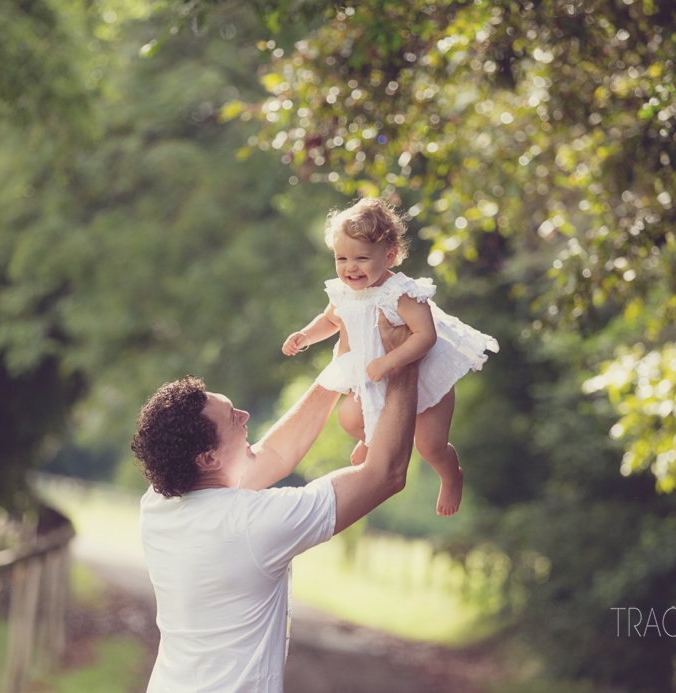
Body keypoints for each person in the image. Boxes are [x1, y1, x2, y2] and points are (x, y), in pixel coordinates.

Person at [132, 314, 418, 693]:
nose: (245, 416)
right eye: (233, 418)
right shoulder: (253, 525)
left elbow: (277, 453)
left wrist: (342, 362)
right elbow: (385, 473)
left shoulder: (158, 504)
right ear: (208, 459)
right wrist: (405, 360)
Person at [282, 197, 498, 515]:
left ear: (390, 255)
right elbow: (331, 319)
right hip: (378, 378)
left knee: (431, 446)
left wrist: (389, 362)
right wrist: (305, 336)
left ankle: (452, 476)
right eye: (341, 258)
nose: (350, 267)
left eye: (362, 258)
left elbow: (426, 336)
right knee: (349, 417)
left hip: (423, 375)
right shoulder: (343, 292)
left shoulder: (402, 293)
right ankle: (375, 437)